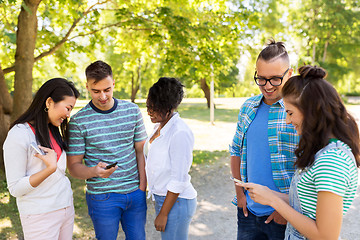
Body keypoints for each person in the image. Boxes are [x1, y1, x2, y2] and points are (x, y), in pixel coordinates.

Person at [239, 65, 360, 240]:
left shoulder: (332, 160)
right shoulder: (321, 151)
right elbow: (306, 203)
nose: (288, 121)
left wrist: (274, 202)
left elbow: (326, 236)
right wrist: (269, 193)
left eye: (290, 113)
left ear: (310, 111)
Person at [66, 60, 148, 240]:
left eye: (107, 90)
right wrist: (94, 171)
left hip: (135, 193)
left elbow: (140, 152)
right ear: (87, 87)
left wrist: (142, 187)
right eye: (96, 91)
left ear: (113, 84)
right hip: (102, 197)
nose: (102, 96)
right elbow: (73, 166)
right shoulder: (79, 122)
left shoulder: (132, 111)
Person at [229, 40, 299, 240]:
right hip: (247, 213)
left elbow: (306, 165)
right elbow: (236, 151)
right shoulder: (248, 107)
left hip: (284, 214)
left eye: (275, 79)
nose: (267, 86)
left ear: (290, 73)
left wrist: (285, 209)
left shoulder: (299, 111)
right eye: (261, 79)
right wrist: (240, 195)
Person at [3, 78, 80, 239]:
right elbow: (15, 188)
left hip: (65, 208)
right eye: (67, 108)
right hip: (40, 215)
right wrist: (49, 169)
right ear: (49, 102)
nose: (68, 115)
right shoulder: (19, 134)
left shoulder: (53, 130)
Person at [144, 77, 197, 240]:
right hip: (163, 198)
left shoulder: (179, 133)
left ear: (168, 107)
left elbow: (178, 179)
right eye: (148, 107)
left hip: (176, 202)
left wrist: (163, 213)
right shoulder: (158, 127)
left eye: (154, 108)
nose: (149, 112)